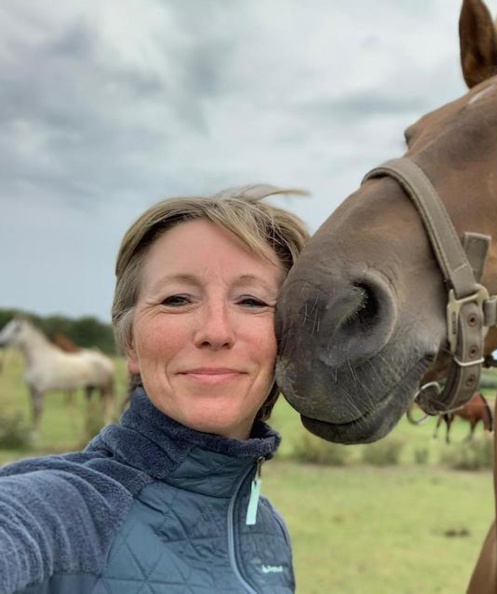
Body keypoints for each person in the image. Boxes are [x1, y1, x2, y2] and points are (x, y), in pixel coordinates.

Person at [0, 184, 309, 593]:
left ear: (289, 338)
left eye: (252, 301)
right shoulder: (56, 511)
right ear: (130, 342)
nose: (215, 331)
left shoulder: (268, 533)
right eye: (177, 299)